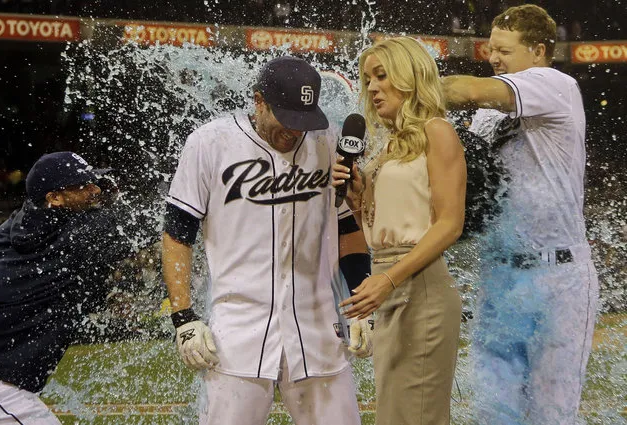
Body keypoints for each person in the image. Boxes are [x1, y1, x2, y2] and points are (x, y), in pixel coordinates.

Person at [162, 56, 372, 425]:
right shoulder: (210, 143)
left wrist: (362, 304)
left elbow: (347, 229)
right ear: (259, 101)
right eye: (286, 118)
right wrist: (183, 317)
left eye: (303, 120)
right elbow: (178, 233)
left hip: (318, 326)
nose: (294, 132)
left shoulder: (328, 142)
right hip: (239, 328)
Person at [440, 4, 599, 424]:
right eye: (490, 49)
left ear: (539, 51)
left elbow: (464, 90)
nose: (493, 58)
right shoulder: (489, 114)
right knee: (494, 413)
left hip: (558, 279)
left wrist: (411, 85)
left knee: (550, 416)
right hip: (499, 274)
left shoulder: (555, 84)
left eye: (504, 51)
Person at [334, 36, 466, 425]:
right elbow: (379, 229)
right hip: (389, 286)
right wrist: (356, 200)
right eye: (367, 79)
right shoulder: (387, 146)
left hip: (418, 288)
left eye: (381, 76)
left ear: (410, 76)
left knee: (414, 417)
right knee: (396, 415)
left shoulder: (437, 131)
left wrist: (388, 280)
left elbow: (449, 224)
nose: (372, 87)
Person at [0, 152, 140, 424]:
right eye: (83, 186)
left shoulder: (21, 222)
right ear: (54, 198)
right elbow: (159, 221)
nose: (95, 189)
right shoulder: (75, 236)